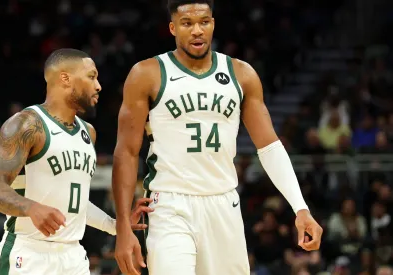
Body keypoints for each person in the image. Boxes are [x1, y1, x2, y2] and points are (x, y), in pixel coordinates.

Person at [111, 1, 323, 275]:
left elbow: (269, 146)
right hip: (170, 204)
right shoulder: (147, 74)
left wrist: (301, 208)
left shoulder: (242, 74)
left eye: (204, 22)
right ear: (173, 28)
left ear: (213, 24)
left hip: (224, 202)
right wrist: (122, 228)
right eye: (187, 23)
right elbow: (126, 152)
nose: (197, 30)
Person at [0, 48, 153, 275]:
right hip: (29, 254)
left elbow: (76, 202)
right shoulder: (26, 124)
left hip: (73, 256)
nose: (98, 86)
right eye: (91, 76)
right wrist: (31, 208)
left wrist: (115, 225)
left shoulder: (88, 132)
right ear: (65, 78)